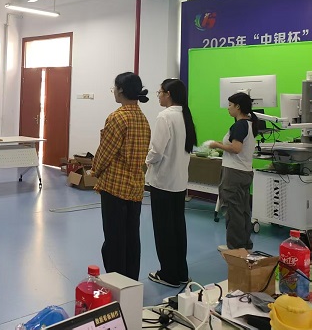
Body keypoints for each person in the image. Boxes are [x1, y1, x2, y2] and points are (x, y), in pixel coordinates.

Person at [91, 72, 150, 281]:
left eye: (114, 88)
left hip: (115, 187)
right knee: (132, 237)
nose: (113, 92)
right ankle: (131, 281)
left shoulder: (118, 117)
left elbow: (105, 152)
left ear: (121, 90)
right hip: (135, 187)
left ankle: (116, 282)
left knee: (114, 238)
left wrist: (94, 171)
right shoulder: (142, 119)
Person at [146, 79, 197, 288]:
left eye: (159, 92)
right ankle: (181, 272)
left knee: (163, 230)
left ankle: (168, 274)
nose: (158, 96)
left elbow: (157, 151)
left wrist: (146, 161)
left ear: (168, 94)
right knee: (177, 229)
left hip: (163, 182)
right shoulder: (185, 115)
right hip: (179, 183)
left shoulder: (165, 116)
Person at [209, 92, 258, 252]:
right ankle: (244, 244)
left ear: (238, 106)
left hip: (234, 173)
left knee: (233, 211)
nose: (228, 108)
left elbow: (236, 148)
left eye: (230, 105)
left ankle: (235, 247)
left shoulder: (239, 125)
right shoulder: (250, 124)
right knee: (243, 210)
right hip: (245, 172)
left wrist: (217, 145)